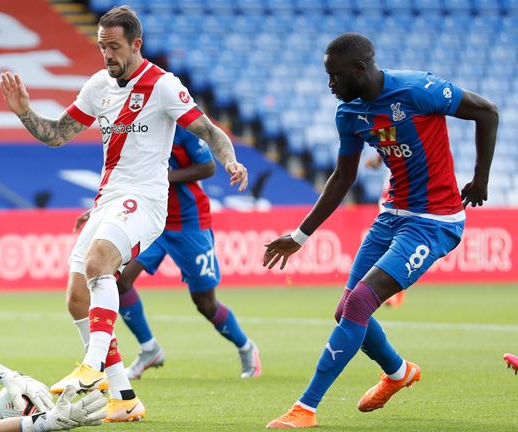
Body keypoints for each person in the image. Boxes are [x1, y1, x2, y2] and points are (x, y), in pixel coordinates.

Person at [0, 5, 248, 422]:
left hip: (148, 200)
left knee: (100, 263)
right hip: (109, 198)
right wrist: (24, 111)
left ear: (136, 44)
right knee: (77, 297)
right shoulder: (99, 85)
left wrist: (230, 161)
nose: (107, 56)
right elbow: (58, 134)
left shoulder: (163, 86)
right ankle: (124, 396)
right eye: (102, 48)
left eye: (114, 47)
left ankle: (92, 369)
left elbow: (209, 130)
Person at [263, 33, 497, 428]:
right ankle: (398, 372)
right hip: (392, 216)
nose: (330, 84)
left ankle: (305, 408)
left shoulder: (417, 89)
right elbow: (342, 177)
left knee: (357, 306)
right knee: (345, 310)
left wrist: (480, 179)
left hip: (433, 221)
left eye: (335, 76)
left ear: (359, 69)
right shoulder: (350, 115)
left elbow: (487, 111)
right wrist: (300, 236)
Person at [73, 125, 260, 381]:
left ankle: (246, 346)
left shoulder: (181, 127)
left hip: (189, 223)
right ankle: (149, 348)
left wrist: (162, 177)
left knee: (205, 303)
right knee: (120, 280)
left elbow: (208, 167)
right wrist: (101, 210)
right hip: (148, 221)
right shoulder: (136, 126)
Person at [364, 154, 405, 308]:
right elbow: (380, 156)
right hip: (387, 199)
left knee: (397, 245)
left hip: (403, 200)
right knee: (388, 246)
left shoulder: (410, 136)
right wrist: (375, 161)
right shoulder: (390, 137)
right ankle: (388, 292)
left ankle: (396, 293)